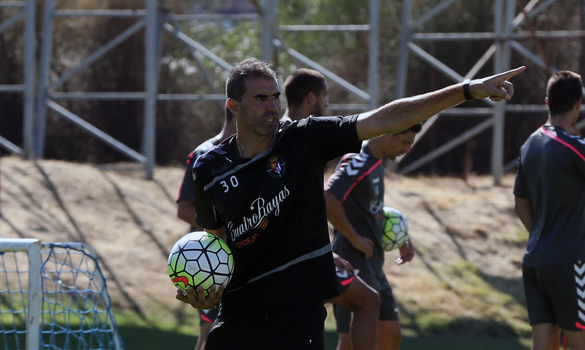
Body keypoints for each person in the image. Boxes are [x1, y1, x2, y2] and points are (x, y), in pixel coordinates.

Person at [177, 57, 524, 350]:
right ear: (233, 106)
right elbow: (216, 239)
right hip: (238, 313)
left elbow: (386, 119)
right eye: (259, 98)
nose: (271, 106)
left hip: (297, 314)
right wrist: (209, 288)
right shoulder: (210, 166)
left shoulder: (304, 138)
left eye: (274, 96)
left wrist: (467, 90)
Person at [284, 68, 382, 350]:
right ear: (312, 98)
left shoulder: (283, 134)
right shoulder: (297, 137)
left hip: (306, 254)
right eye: (325, 98)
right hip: (296, 259)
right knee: (368, 301)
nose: (328, 105)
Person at [324, 123, 421, 350]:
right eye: (405, 142)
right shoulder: (357, 161)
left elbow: (372, 209)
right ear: (388, 133)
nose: (407, 149)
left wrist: (401, 237)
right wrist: (355, 237)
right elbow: (328, 197)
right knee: (348, 343)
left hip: (374, 264)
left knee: (391, 335)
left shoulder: (378, 161)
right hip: (352, 261)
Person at [513, 70, 585, 350]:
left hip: (535, 260)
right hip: (569, 260)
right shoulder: (574, 146)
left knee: (543, 344)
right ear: (578, 104)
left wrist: (543, 237)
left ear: (547, 102)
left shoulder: (528, 145)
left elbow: (519, 205)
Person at [175, 107, 236, 350]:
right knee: (209, 336)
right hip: (211, 263)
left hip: (246, 258)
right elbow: (184, 209)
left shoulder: (255, 154)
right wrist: (223, 226)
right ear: (236, 110)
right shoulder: (203, 155)